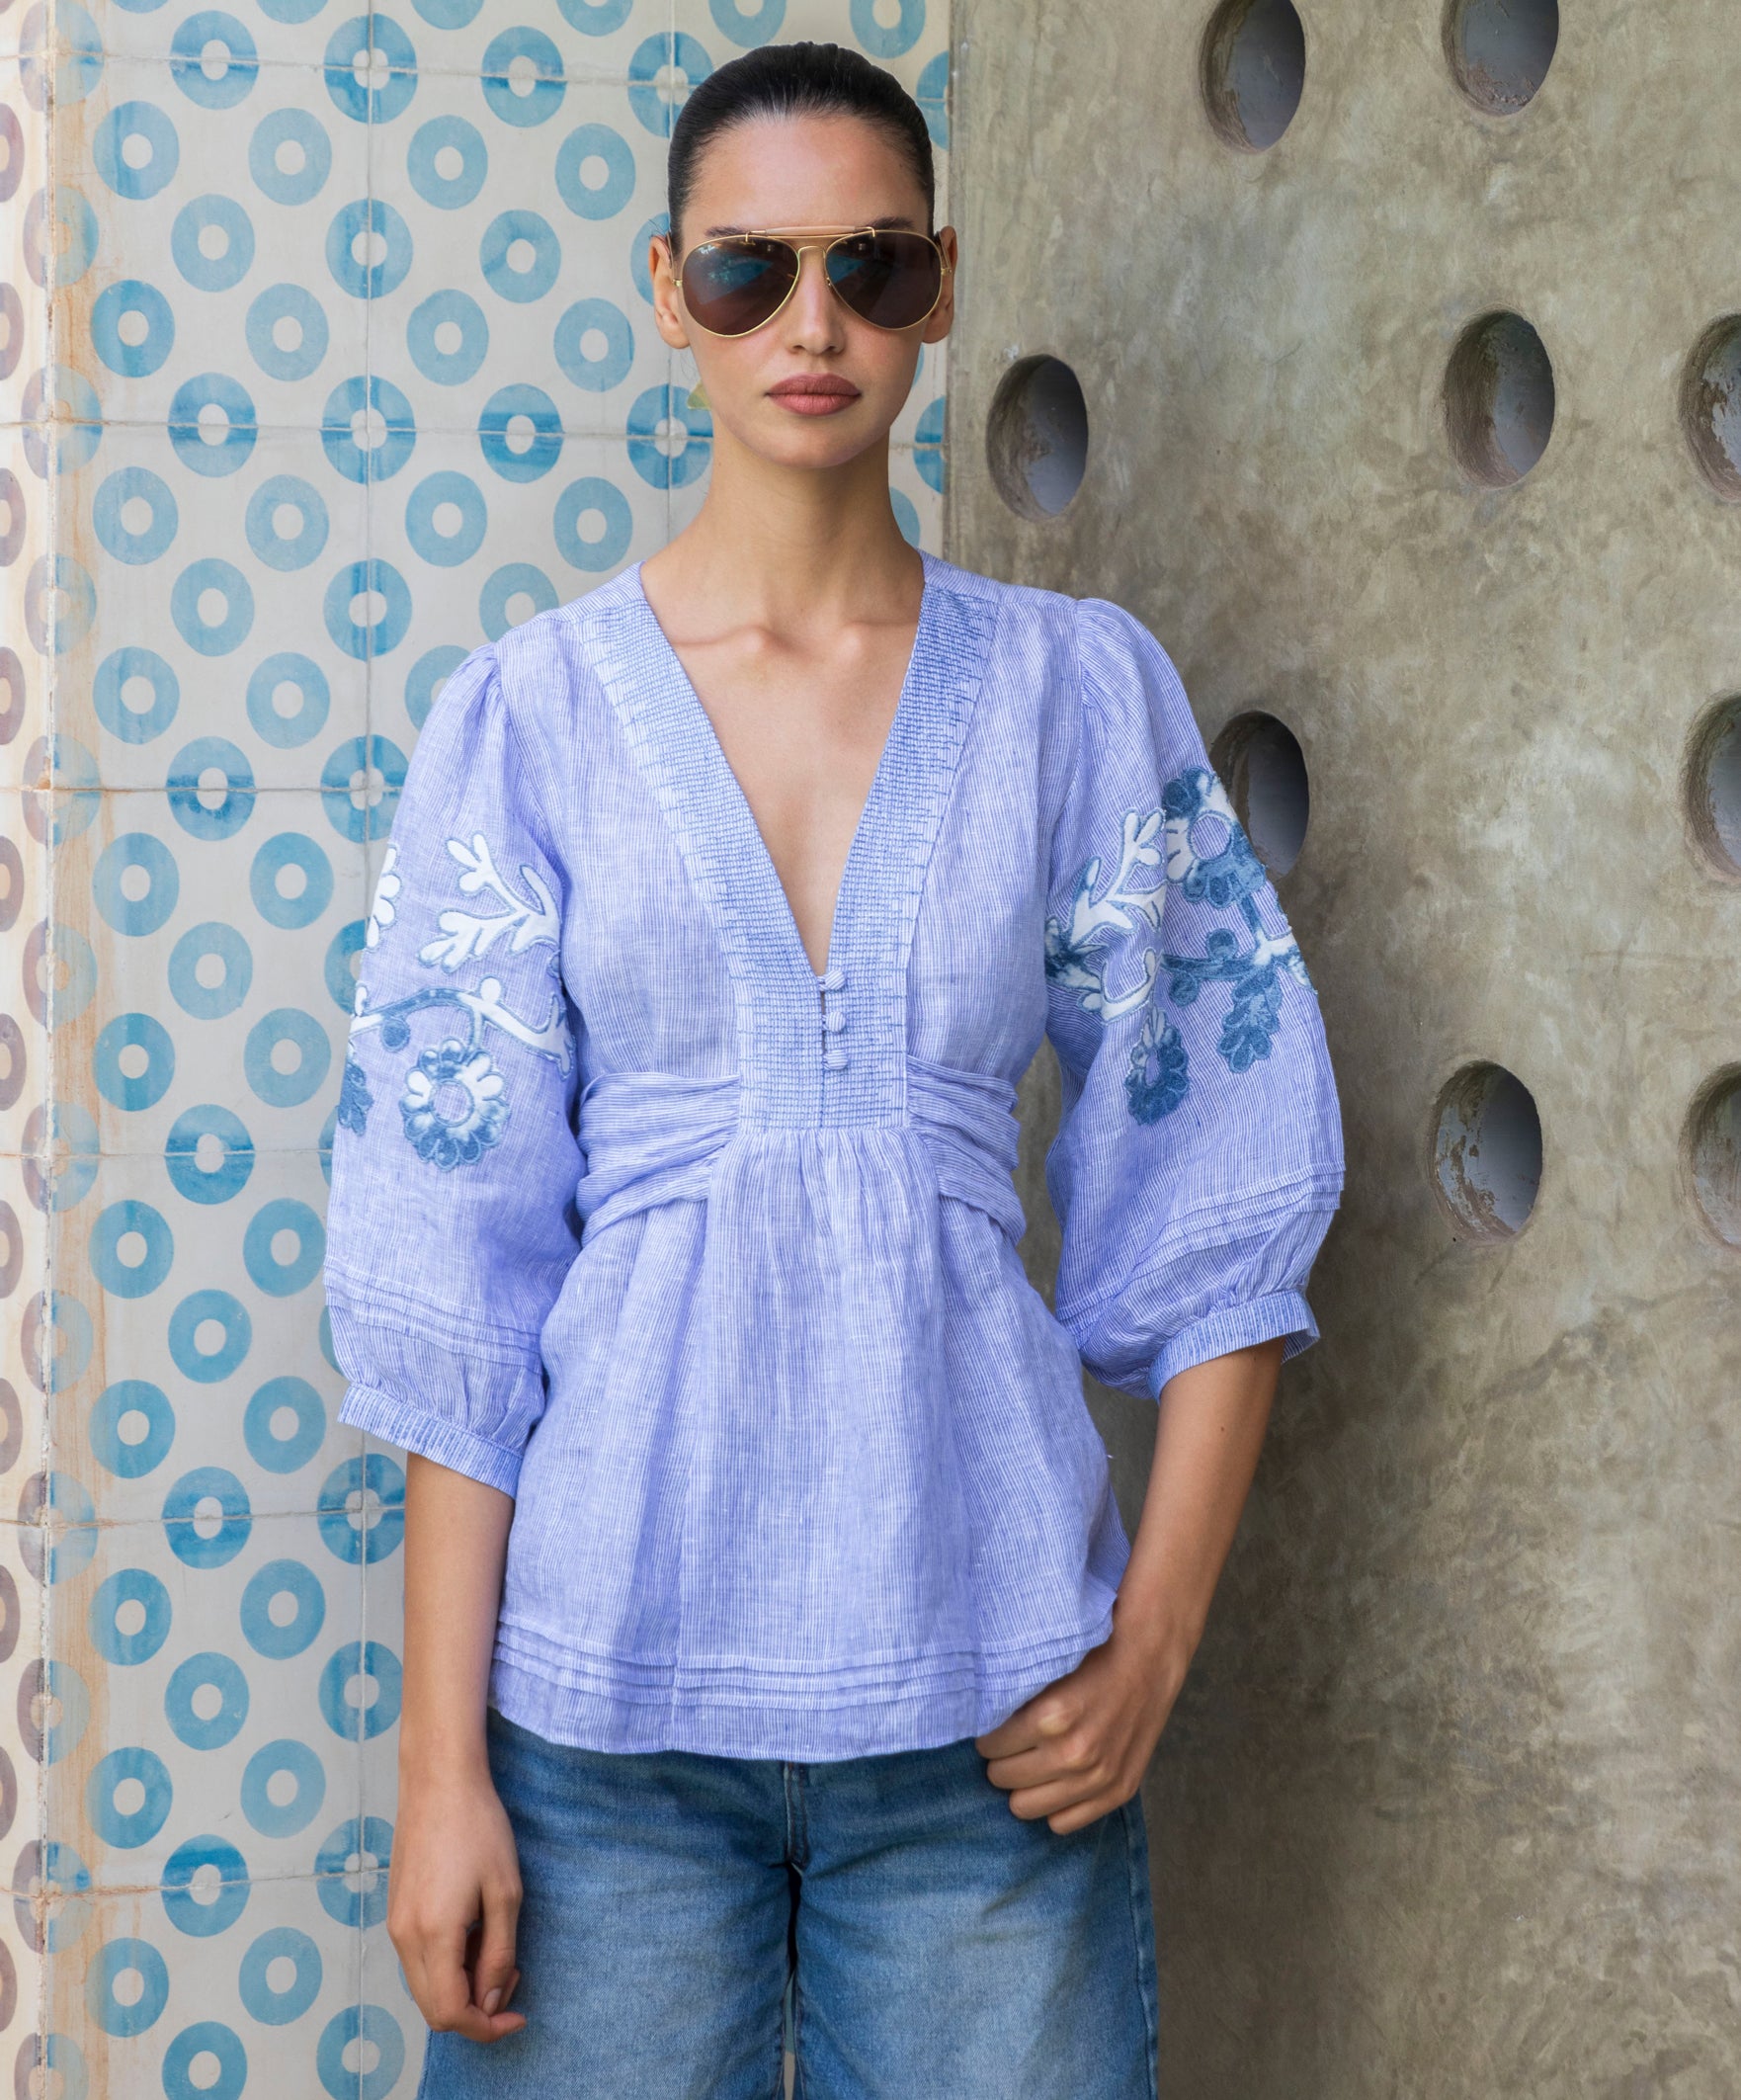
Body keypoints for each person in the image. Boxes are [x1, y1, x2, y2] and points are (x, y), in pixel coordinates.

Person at [322, 39, 1344, 2099]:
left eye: (869, 267)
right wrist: (441, 1772)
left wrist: (1150, 1643)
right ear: (666, 287)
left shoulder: (1072, 694)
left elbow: (1216, 1159)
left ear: (940, 287)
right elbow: (455, 1271)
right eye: (747, 272)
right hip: (596, 1733)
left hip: (991, 1721)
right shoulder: (523, 720)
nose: (812, 325)